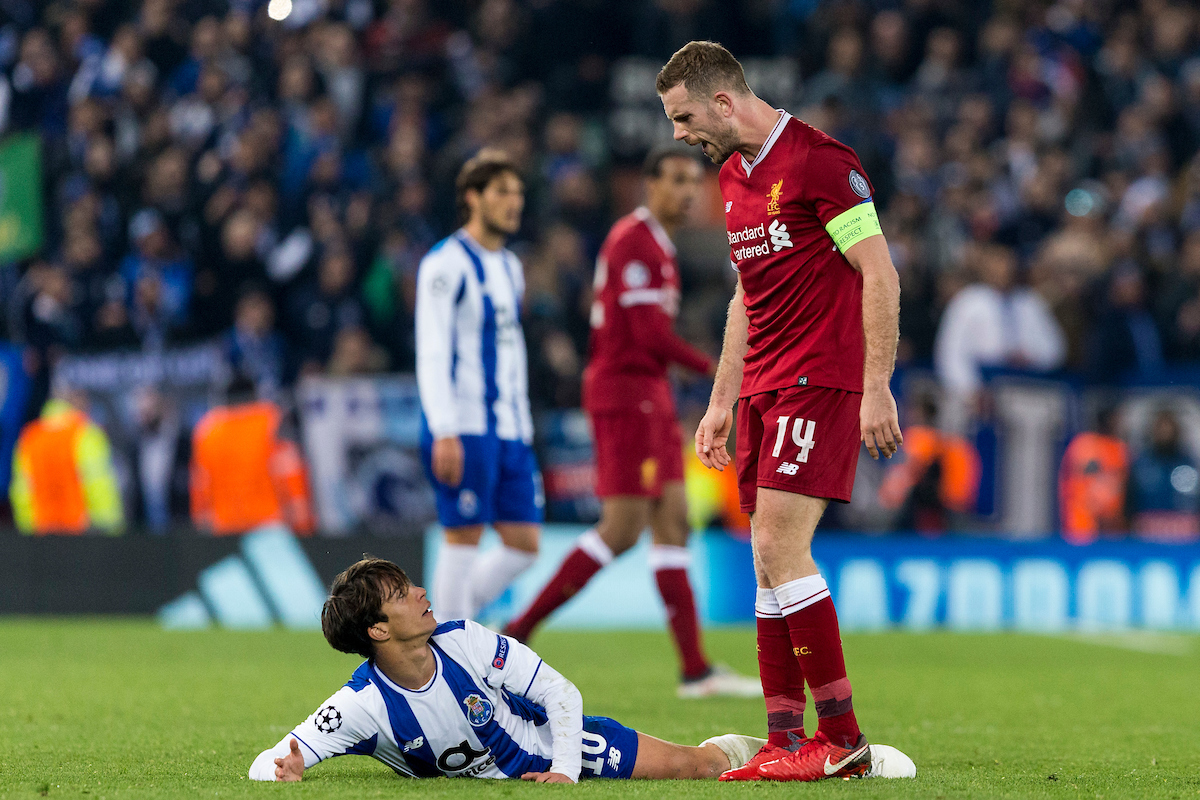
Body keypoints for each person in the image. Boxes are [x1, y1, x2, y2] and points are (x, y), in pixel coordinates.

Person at [657, 41, 904, 781]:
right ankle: (784, 740)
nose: (678, 134)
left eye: (684, 116)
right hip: (763, 385)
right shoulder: (733, 177)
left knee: (777, 545)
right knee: (767, 563)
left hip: (818, 378)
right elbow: (745, 297)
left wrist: (878, 384)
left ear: (724, 101)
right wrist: (721, 400)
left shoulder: (823, 162)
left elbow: (879, 272)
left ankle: (843, 740)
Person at [248, 557, 917, 783]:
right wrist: (288, 769)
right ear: (377, 630)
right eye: (402, 595)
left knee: (695, 768)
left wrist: (565, 768)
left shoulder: (466, 640)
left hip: (558, 743)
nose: (422, 593)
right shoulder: (364, 706)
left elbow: (560, 693)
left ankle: (779, 750)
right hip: (530, 768)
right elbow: (274, 758)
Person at [503, 147, 758, 700]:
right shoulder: (634, 241)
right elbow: (646, 336)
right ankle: (515, 634)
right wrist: (715, 367)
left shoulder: (658, 247)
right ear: (649, 185)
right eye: (675, 180)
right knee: (621, 529)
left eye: (694, 182)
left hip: (650, 394)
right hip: (625, 395)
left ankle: (696, 670)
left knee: (673, 521)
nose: (687, 191)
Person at [416, 150, 541, 622]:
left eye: (519, 194)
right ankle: (451, 654)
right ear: (473, 198)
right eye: (502, 192)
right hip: (464, 424)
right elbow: (431, 350)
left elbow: (512, 352)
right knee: (463, 536)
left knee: (525, 545)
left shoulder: (510, 266)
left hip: (511, 427)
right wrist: (443, 427)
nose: (514, 203)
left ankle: (449, 624)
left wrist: (524, 422)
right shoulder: (445, 264)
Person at [190, 374, 315, 536]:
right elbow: (291, 474)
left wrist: (203, 530)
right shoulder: (272, 420)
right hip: (271, 527)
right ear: (255, 393)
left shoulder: (208, 429)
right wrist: (304, 527)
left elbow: (200, 486)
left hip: (224, 530)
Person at [10, 390, 124, 535]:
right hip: (80, 531)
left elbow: (22, 491)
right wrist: (111, 528)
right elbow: (99, 485)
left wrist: (27, 529)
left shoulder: (30, 438)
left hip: (42, 532)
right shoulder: (85, 433)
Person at [1125, 406, 1199, 542]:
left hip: (1184, 536)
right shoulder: (1141, 464)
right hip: (1146, 534)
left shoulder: (1189, 464)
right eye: (1161, 428)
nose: (1165, 432)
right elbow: (1129, 503)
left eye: (1168, 427)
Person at [1058, 405, 1129, 544]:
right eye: (1115, 420)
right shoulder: (1085, 444)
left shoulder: (1119, 448)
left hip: (1112, 529)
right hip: (1082, 527)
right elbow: (1086, 488)